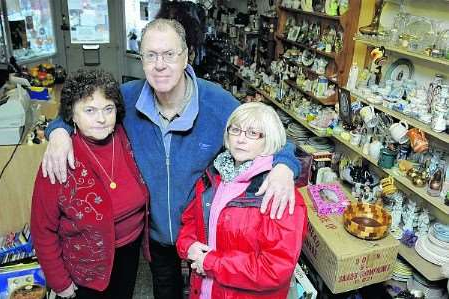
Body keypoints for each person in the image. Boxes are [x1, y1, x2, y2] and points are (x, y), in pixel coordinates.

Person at [42, 19, 300, 299]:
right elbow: (84, 111)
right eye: (150, 55)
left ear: (186, 55)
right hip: (158, 238)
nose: (160, 64)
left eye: (169, 54)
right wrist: (58, 132)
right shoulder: (126, 99)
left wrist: (285, 165)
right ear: (140, 60)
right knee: (167, 291)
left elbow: (269, 133)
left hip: (206, 234)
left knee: (210, 289)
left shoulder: (218, 102)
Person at [31, 69, 149, 299]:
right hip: (85, 269)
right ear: (71, 115)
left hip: (129, 253)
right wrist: (59, 282)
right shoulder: (59, 158)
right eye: (89, 110)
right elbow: (42, 229)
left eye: (108, 109)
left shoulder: (125, 137)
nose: (101, 118)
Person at [177, 102, 307, 299]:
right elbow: (191, 220)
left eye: (253, 133)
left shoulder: (279, 193)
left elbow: (275, 269)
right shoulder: (214, 175)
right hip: (205, 289)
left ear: (269, 139)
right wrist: (187, 245)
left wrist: (211, 263)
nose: (240, 139)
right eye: (235, 130)